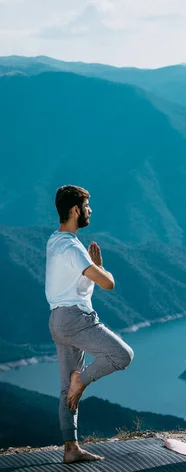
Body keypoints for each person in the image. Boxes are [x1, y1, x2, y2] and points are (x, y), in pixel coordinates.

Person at [46, 185, 134, 463]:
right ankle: (80, 381)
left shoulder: (54, 241)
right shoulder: (74, 249)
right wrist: (101, 267)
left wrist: (90, 269)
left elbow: (76, 280)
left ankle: (70, 448)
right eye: (86, 206)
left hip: (57, 321)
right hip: (76, 319)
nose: (90, 210)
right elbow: (109, 283)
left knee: (64, 389)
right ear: (75, 211)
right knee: (123, 355)